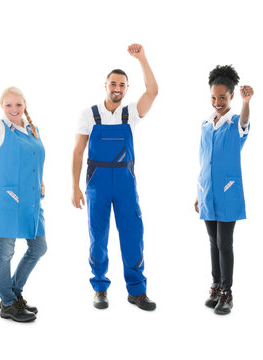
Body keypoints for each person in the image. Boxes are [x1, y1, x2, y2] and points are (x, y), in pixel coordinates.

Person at [72, 44, 158, 311]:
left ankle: (137, 291)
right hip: (96, 184)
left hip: (125, 183)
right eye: (113, 83)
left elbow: (153, 91)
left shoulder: (130, 113)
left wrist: (142, 58)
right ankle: (100, 289)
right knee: (98, 236)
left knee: (133, 234)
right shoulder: (89, 114)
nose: (117, 88)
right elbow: (77, 151)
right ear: (105, 85)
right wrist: (74, 187)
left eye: (122, 84)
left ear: (126, 88)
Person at [0, 81, 47, 323]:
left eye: (18, 104)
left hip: (32, 199)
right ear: (2, 107)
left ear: (25, 105)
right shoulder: (0, 129)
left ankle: (13, 294)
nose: (13, 108)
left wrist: (41, 180)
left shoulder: (33, 129)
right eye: (8, 105)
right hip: (9, 199)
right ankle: (8, 303)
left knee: (39, 247)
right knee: (6, 252)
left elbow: (34, 159)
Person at [194, 65, 253, 315]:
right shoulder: (207, 124)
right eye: (213, 97)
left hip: (228, 193)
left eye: (222, 97)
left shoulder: (235, 124)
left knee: (224, 242)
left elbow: (245, 121)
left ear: (230, 96)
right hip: (207, 191)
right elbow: (203, 160)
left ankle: (227, 293)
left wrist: (246, 102)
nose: (217, 102)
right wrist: (198, 193)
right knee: (212, 242)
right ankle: (216, 285)